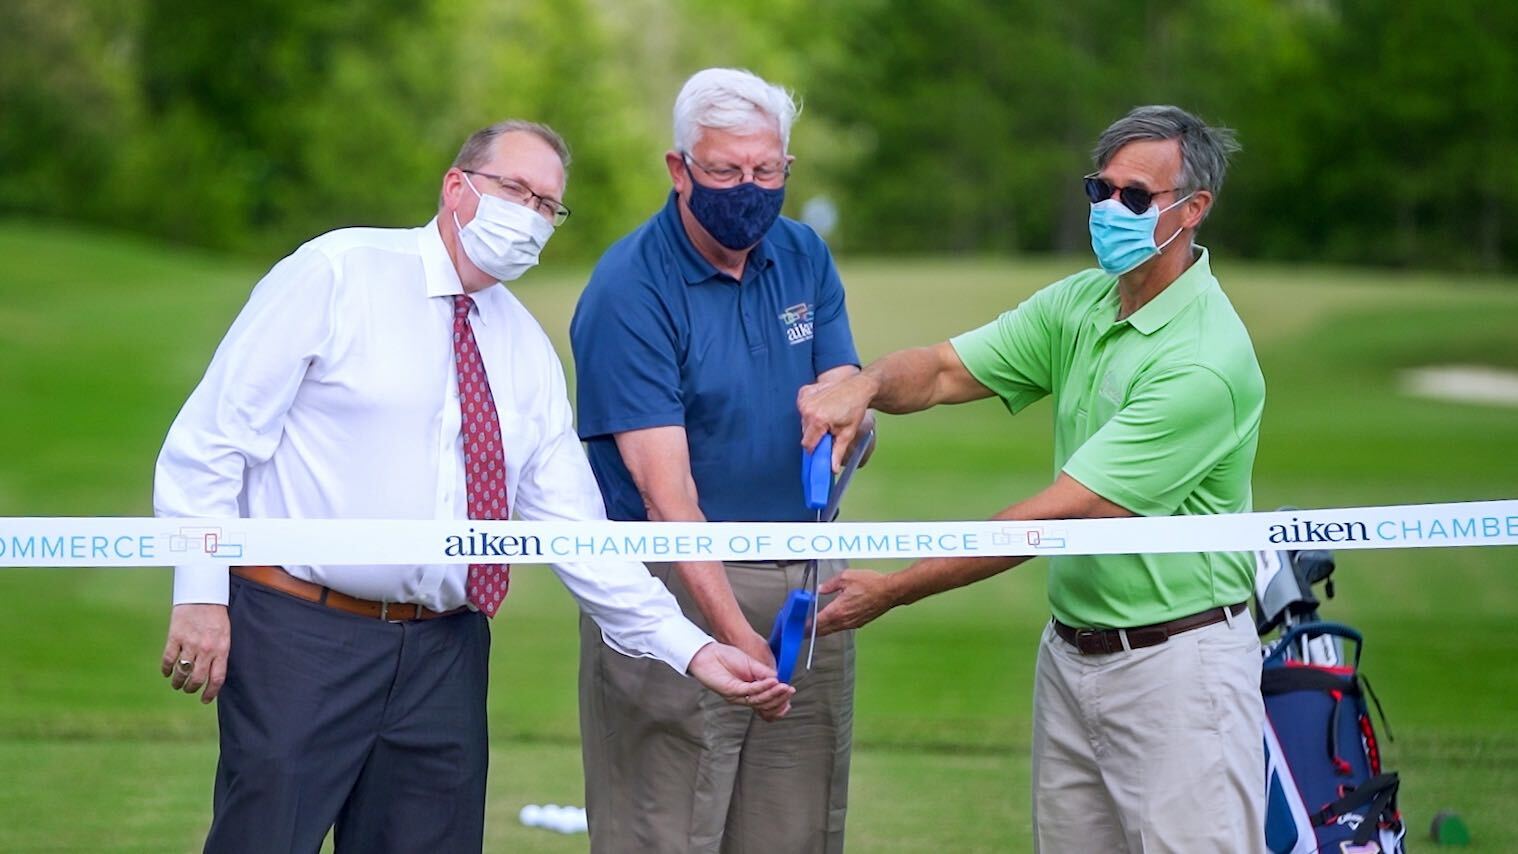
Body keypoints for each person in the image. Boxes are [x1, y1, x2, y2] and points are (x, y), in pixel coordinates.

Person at [154, 118, 792, 854]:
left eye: (548, 205)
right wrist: (199, 593)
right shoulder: (337, 273)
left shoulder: (524, 348)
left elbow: (577, 534)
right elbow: (209, 445)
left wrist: (692, 647)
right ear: (457, 188)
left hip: (446, 653)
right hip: (302, 635)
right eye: (514, 189)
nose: (529, 215)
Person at [798, 105, 1266, 852]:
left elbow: (1063, 514)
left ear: (1193, 209)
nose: (1111, 211)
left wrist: (895, 588)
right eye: (1100, 190)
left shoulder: (1204, 360)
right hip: (1073, 659)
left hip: (1179, 671)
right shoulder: (1084, 301)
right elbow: (947, 370)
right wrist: (865, 384)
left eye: (1136, 198)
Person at [570, 68, 866, 854]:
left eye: (766, 171)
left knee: (795, 830)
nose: (749, 189)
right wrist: (730, 635)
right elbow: (668, 500)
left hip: (805, 579)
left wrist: (846, 405)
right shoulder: (629, 287)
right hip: (676, 586)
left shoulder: (803, 255)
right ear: (679, 169)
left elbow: (840, 375)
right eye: (726, 171)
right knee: (668, 828)